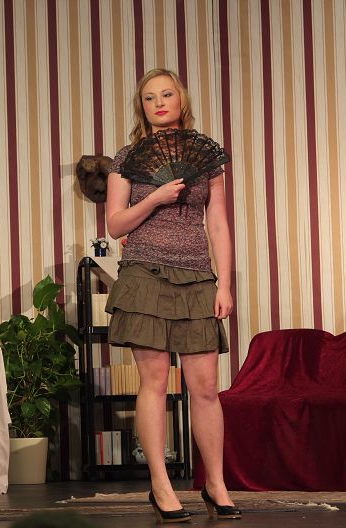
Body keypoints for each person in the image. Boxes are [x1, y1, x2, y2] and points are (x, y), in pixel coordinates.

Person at [105, 69, 241, 523]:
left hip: (197, 276)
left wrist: (225, 283)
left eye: (166, 94)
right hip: (144, 274)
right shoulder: (128, 157)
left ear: (181, 99)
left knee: (205, 387)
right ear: (141, 107)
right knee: (155, 383)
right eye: (149, 97)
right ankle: (161, 486)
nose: (159, 103)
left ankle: (215, 483)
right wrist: (155, 198)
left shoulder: (206, 160)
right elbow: (115, 225)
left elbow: (217, 223)